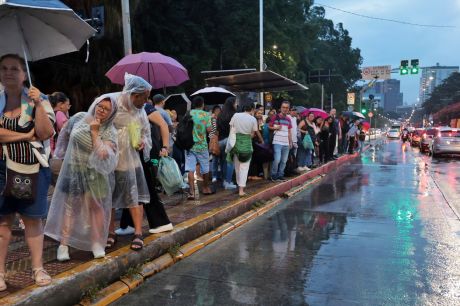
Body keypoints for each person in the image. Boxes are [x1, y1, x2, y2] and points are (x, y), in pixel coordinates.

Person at [0, 54, 55, 290]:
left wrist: (39, 104)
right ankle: (0, 272)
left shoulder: (37, 99)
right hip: (2, 168)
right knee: (2, 222)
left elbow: (44, 133)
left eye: (14, 68)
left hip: (32, 169)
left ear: (24, 74)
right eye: (3, 68)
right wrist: (24, 135)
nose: (8, 72)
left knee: (32, 220)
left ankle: (37, 268)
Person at [45, 94, 118, 260]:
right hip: (74, 169)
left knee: (96, 207)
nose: (102, 110)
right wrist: (59, 155)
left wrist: (94, 132)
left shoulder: (109, 130)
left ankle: (96, 243)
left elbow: (102, 153)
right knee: (71, 207)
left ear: (111, 113)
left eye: (107, 109)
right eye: (101, 106)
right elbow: (64, 134)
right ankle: (63, 245)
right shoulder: (79, 117)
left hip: (95, 173)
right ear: (95, 103)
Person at [109, 73, 153, 251]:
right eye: (144, 98)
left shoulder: (140, 111)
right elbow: (97, 124)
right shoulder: (111, 103)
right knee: (109, 198)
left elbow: (146, 133)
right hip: (111, 160)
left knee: (135, 196)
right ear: (135, 95)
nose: (146, 102)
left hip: (131, 161)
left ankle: (138, 233)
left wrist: (144, 142)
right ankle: (110, 232)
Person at [228, 103, 263, 196]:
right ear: (252, 109)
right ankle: (241, 190)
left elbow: (231, 128)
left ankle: (239, 185)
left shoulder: (236, 115)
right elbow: (252, 134)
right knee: (244, 168)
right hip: (247, 145)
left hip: (236, 144)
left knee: (237, 167)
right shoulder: (253, 119)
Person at [186, 96, 213, 200]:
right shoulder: (206, 115)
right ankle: (205, 188)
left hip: (189, 145)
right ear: (202, 104)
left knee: (190, 168)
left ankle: (192, 192)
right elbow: (209, 129)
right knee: (205, 167)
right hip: (202, 145)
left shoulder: (188, 113)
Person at [216, 97, 237, 189]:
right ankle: (228, 182)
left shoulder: (220, 114)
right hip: (229, 140)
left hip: (220, 141)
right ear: (232, 104)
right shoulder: (234, 115)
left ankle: (224, 181)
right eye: (235, 103)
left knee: (223, 162)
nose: (236, 105)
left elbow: (217, 129)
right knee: (230, 162)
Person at [269, 101, 292, 181]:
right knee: (277, 159)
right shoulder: (275, 117)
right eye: (283, 107)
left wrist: (290, 142)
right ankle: (273, 175)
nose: (285, 109)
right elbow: (269, 127)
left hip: (286, 143)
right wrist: (276, 128)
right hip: (277, 142)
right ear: (280, 108)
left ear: (289, 109)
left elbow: (289, 132)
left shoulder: (289, 119)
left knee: (284, 161)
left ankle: (280, 175)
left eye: (287, 108)